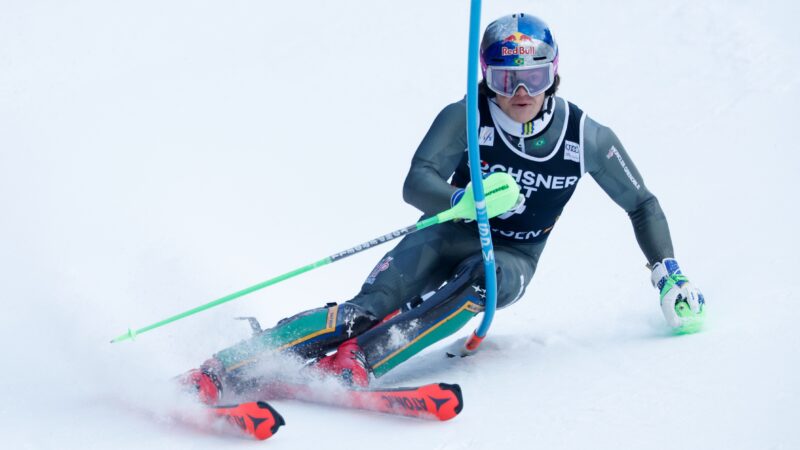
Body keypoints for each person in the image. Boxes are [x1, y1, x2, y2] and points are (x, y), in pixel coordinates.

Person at [185, 13, 705, 404]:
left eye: (535, 78)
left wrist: (668, 273)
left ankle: (359, 362)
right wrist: (463, 200)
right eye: (506, 80)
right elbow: (416, 182)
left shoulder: (586, 137)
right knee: (368, 308)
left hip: (513, 257)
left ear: (555, 75)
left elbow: (642, 202)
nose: (521, 93)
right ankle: (225, 367)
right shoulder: (467, 115)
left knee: (484, 281)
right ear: (486, 76)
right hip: (443, 233)